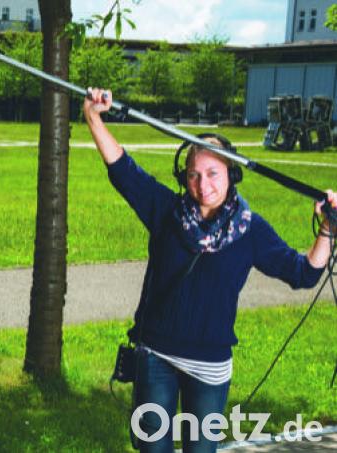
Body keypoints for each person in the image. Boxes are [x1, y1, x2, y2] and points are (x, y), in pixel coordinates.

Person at [84, 88, 336, 453]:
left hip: (210, 367)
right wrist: (94, 117)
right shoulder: (166, 211)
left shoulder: (250, 230)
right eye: (194, 175)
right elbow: (123, 171)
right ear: (183, 177)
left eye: (214, 173)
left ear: (232, 173)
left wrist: (329, 226)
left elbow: (304, 273)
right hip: (156, 356)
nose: (204, 186)